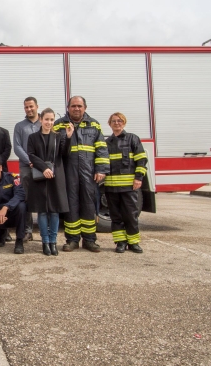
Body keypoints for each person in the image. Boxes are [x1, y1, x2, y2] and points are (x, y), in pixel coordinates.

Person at [53, 96, 110, 252]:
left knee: (88, 205)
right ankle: (72, 240)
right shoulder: (59, 125)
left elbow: (101, 148)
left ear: (85, 107)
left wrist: (101, 169)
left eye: (79, 106)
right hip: (67, 172)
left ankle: (90, 240)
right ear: (68, 107)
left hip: (89, 172)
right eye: (73, 106)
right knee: (71, 206)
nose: (76, 109)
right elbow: (55, 149)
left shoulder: (94, 125)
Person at [27, 108, 73, 256]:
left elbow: (65, 154)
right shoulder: (33, 137)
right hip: (40, 177)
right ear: (41, 119)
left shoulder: (58, 136)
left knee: (54, 211)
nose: (49, 122)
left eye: (52, 120)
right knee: (42, 211)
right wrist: (44, 168)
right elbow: (32, 155)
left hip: (55, 176)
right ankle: (45, 242)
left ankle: (53, 242)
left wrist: (69, 137)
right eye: (46, 119)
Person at [105, 112, 147, 254]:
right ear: (109, 124)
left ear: (124, 123)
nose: (117, 123)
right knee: (116, 216)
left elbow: (141, 160)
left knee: (130, 215)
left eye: (119, 121)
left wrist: (139, 178)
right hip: (111, 188)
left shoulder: (132, 139)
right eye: (114, 121)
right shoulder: (107, 143)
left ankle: (134, 242)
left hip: (129, 186)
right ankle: (120, 243)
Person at [13, 97, 41, 242]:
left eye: (31, 106)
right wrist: (30, 161)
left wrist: (40, 163)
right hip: (26, 167)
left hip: (42, 168)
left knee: (43, 198)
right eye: (26, 107)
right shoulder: (19, 126)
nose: (29, 109)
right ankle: (28, 230)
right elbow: (17, 147)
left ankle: (44, 231)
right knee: (26, 198)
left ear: (37, 106)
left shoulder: (45, 123)